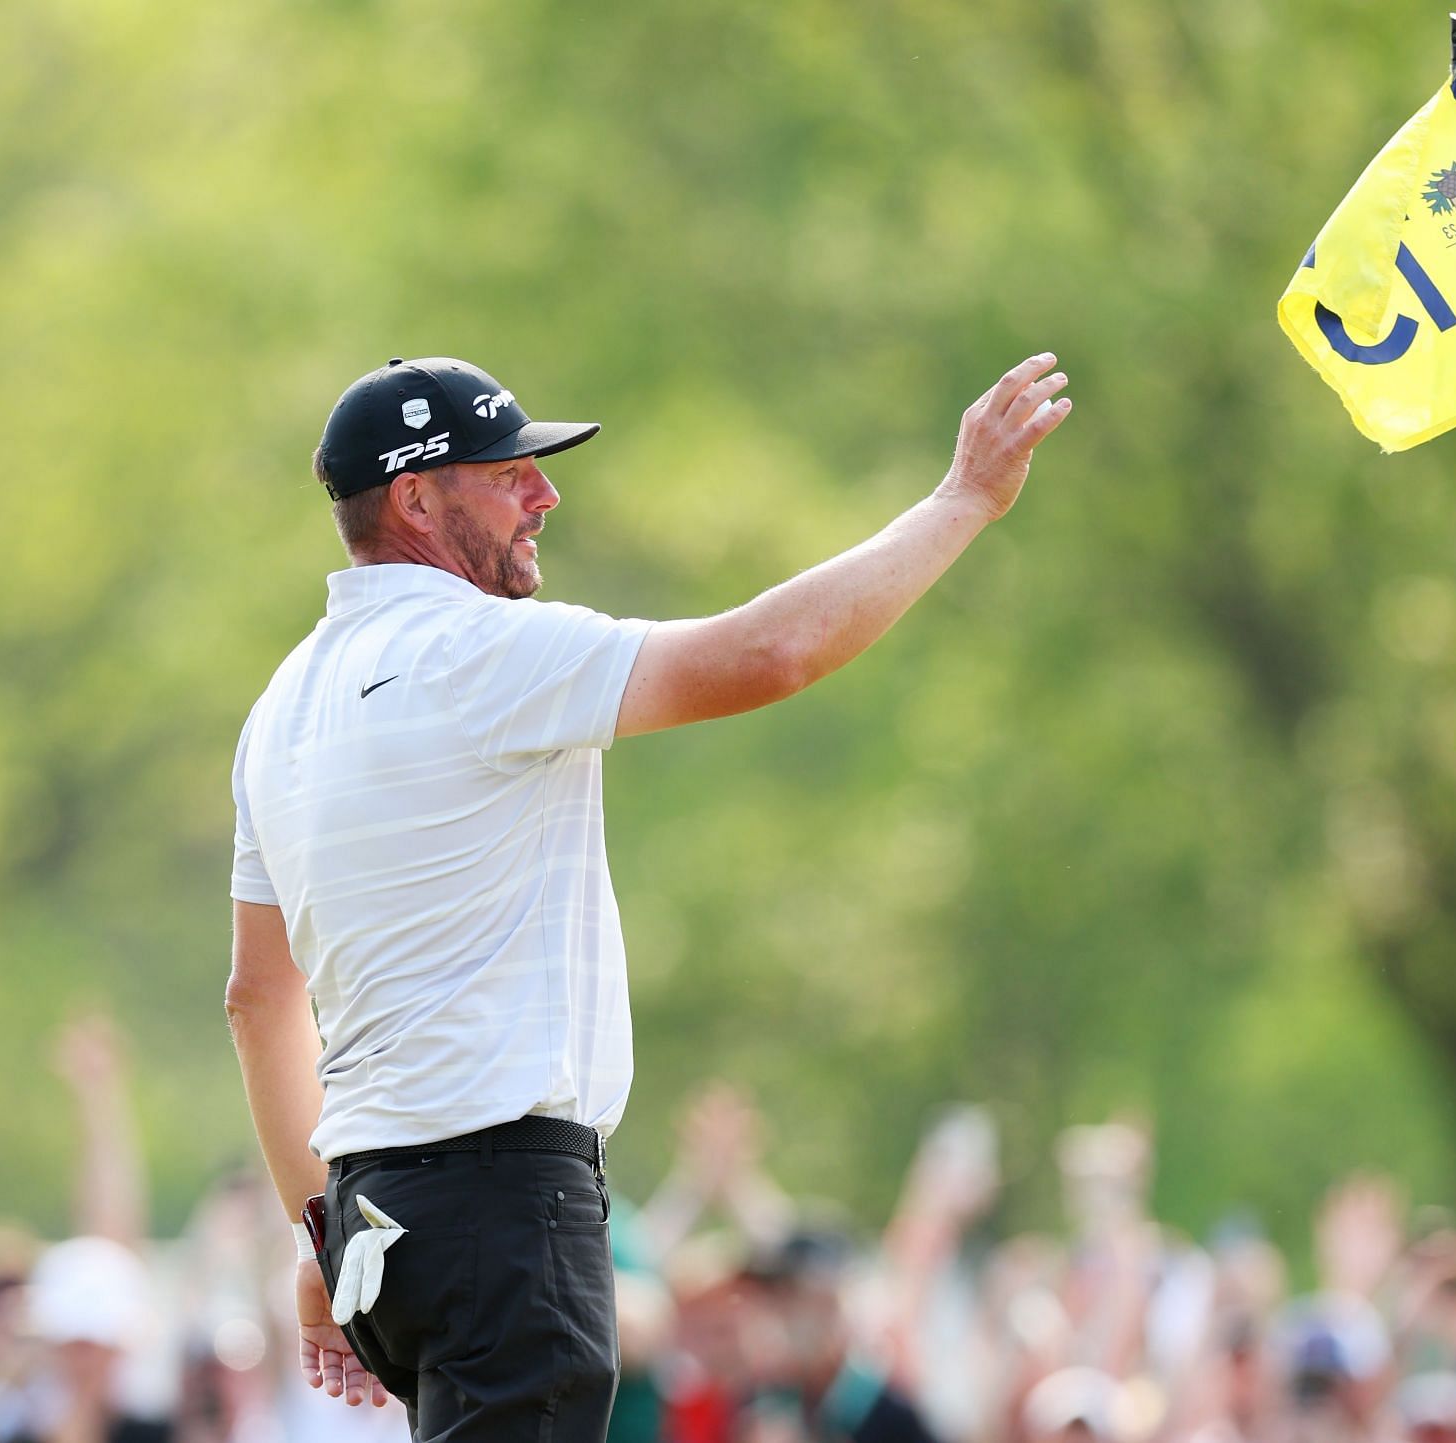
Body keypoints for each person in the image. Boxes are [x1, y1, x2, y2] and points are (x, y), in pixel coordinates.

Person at [225, 351, 1073, 1441]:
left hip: (383, 1217)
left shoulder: (280, 709)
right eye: (507, 472)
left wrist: (322, 1239)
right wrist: (964, 500)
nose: (545, 494)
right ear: (417, 499)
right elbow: (774, 653)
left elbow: (259, 1001)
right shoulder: (478, 652)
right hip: (504, 1212)